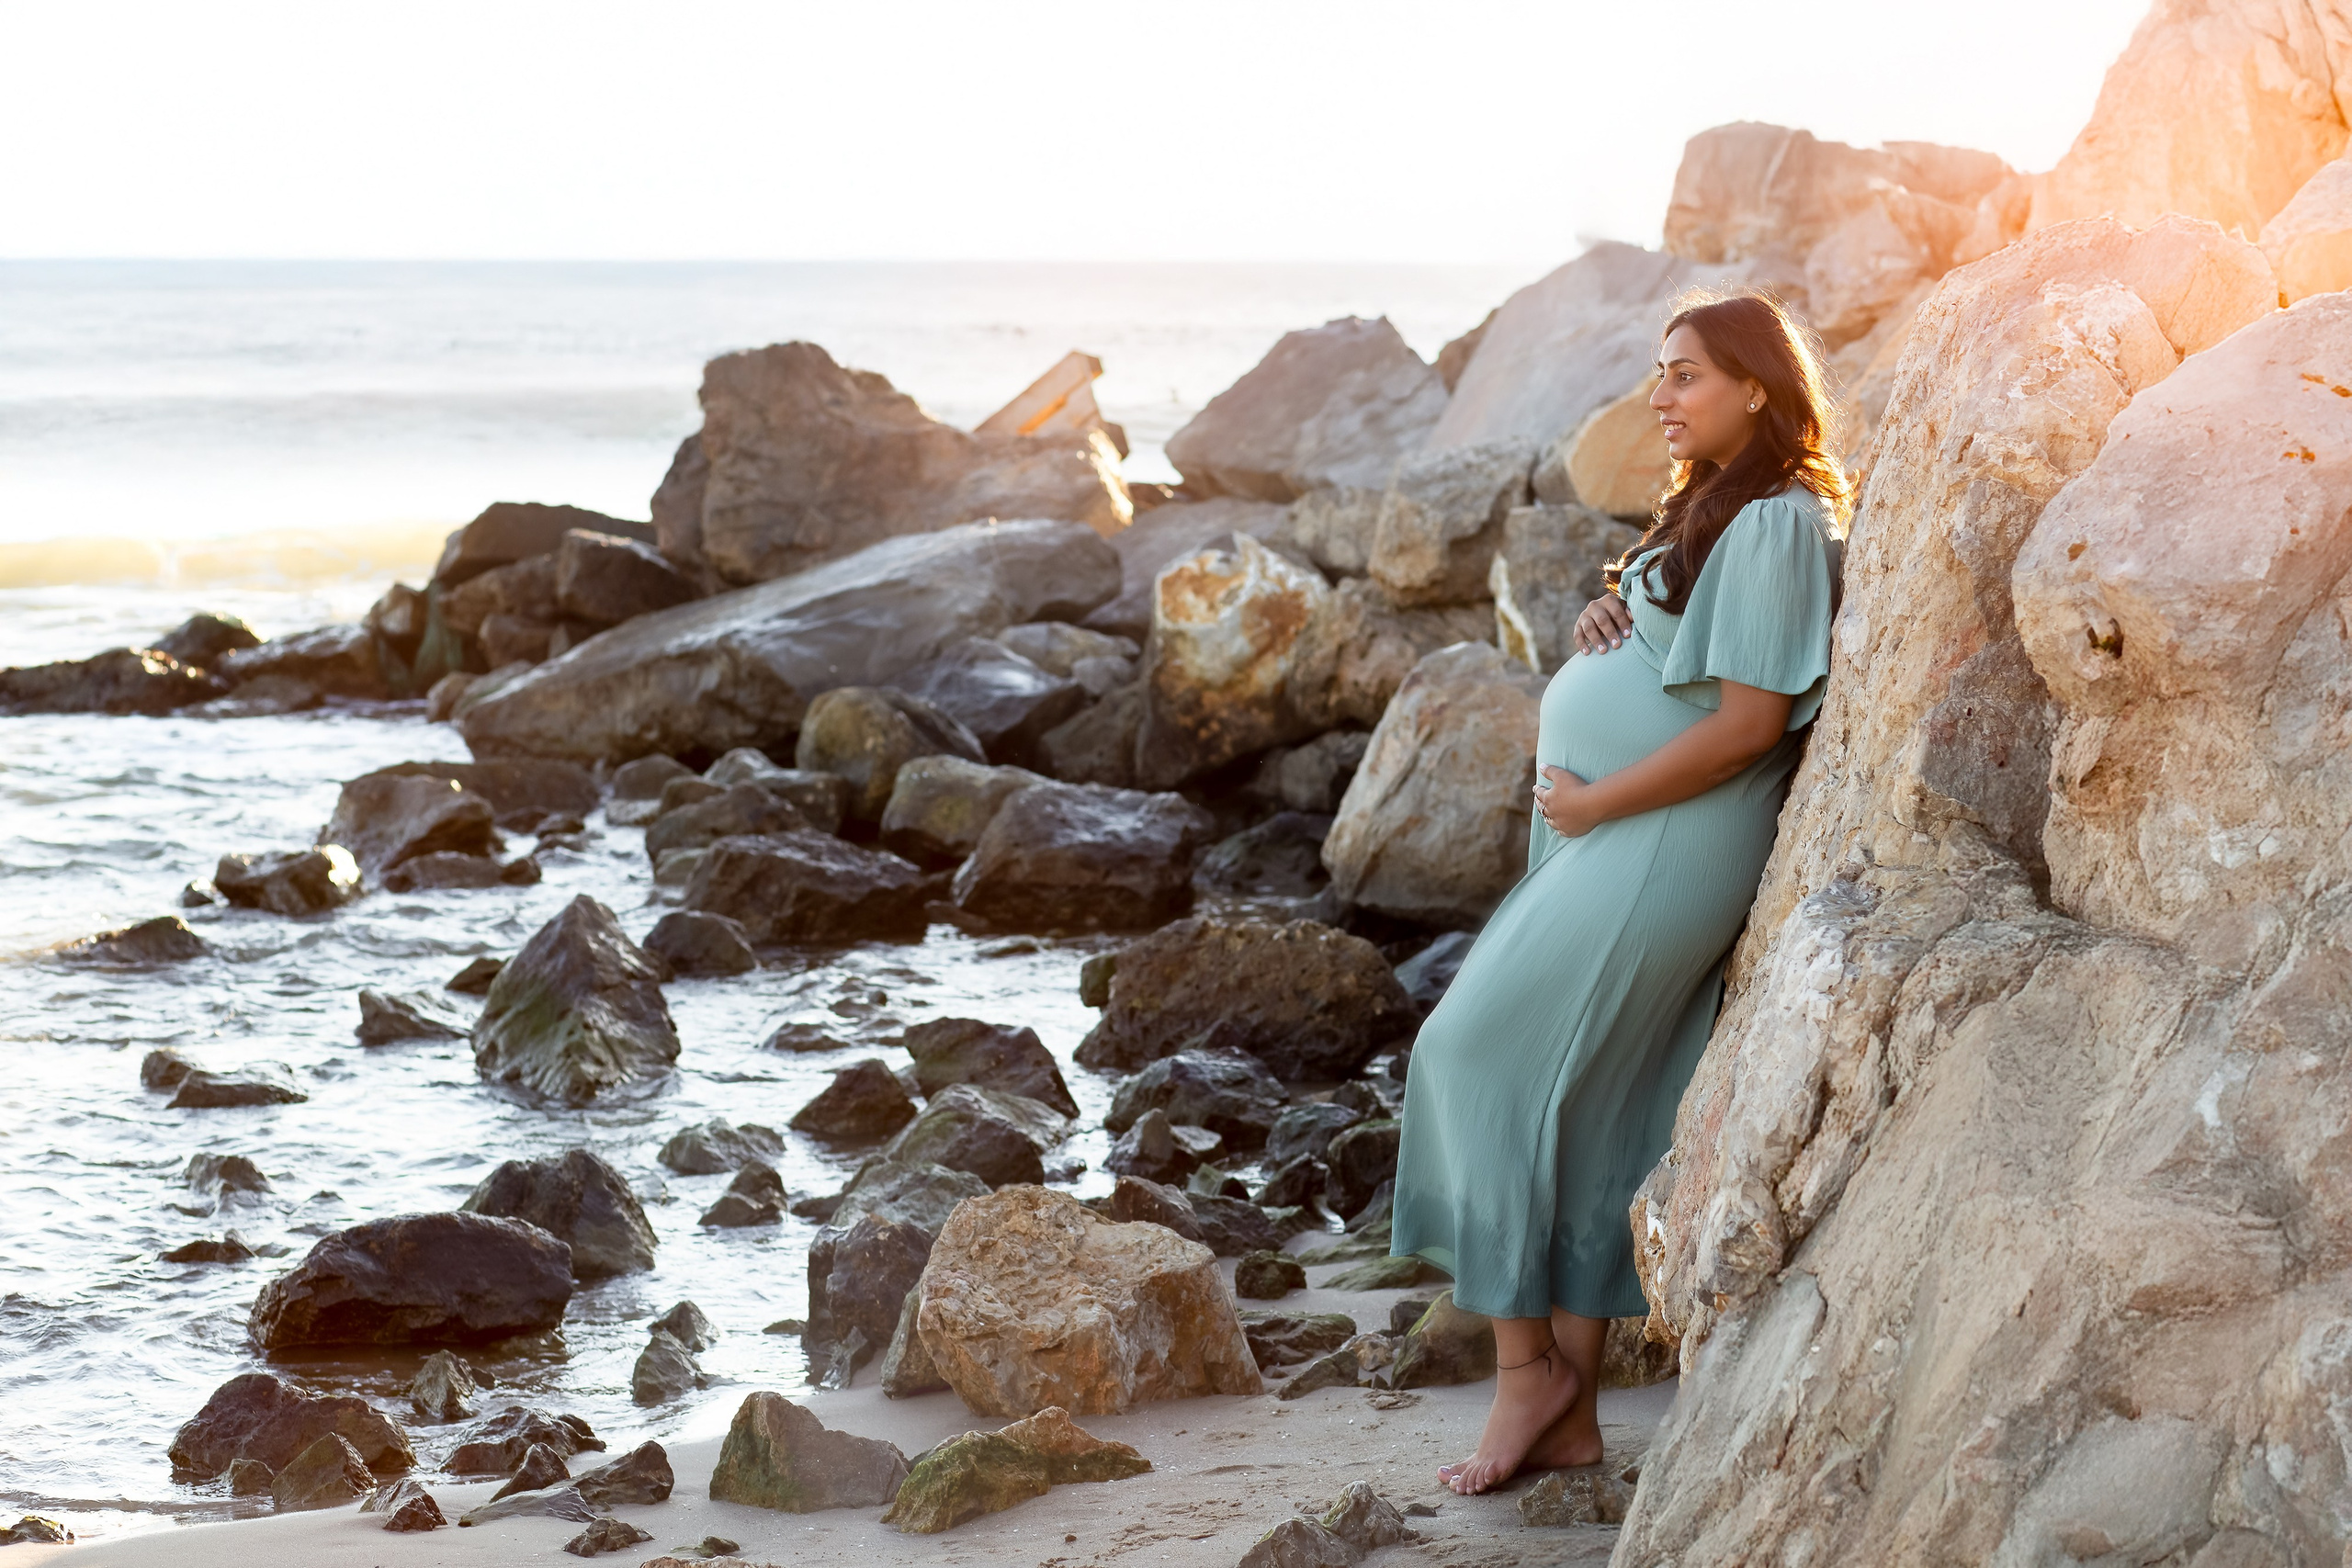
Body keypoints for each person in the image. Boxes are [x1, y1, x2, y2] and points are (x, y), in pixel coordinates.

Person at [1387, 289, 1849, 1495]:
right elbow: (1684, 653)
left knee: (1468, 1053)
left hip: (1665, 837)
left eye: (1687, 373)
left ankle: (1523, 1373)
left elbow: (1747, 726)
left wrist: (1596, 806)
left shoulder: (1778, 520)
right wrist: (1625, 603)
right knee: (1593, 1106)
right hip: (1618, 832)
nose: (1662, 396)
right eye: (1660, 372)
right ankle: (1573, 1412)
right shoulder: (1717, 508)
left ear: (1757, 386)